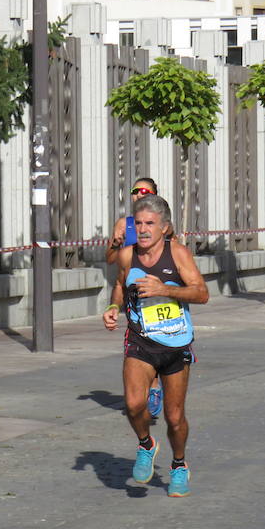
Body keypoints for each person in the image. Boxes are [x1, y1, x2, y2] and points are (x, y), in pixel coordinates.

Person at [103, 194, 209, 497]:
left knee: (175, 418)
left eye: (150, 223)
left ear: (164, 228)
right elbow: (122, 284)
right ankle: (146, 444)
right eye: (139, 223)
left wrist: (164, 289)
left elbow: (202, 294)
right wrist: (113, 305)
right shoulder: (127, 255)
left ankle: (179, 465)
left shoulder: (178, 254)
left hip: (175, 344)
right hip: (141, 340)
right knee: (134, 404)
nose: (144, 229)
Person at [105, 177, 164, 419]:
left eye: (145, 191)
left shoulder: (160, 223)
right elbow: (109, 258)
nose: (139, 195)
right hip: (131, 294)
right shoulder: (124, 224)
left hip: (156, 292)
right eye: (135, 191)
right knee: (138, 341)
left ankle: (154, 385)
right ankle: (146, 389)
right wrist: (117, 244)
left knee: (157, 340)